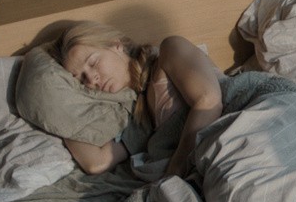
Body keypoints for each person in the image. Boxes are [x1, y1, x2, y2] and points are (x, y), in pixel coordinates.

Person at [52, 21, 223, 177]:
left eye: (93, 63)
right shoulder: (135, 114)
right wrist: (55, 109)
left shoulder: (169, 48)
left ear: (116, 45)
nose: (91, 79)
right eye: (81, 78)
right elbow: (96, 163)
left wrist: (176, 169)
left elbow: (209, 101)